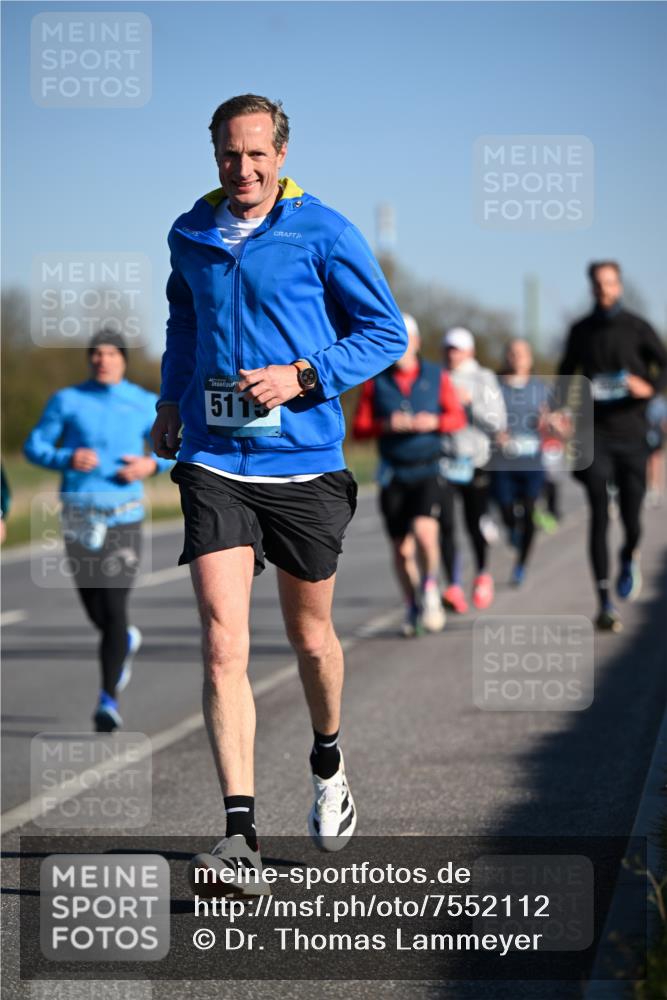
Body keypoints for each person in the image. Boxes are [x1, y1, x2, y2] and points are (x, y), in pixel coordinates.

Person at [150, 94, 407, 891]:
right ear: (214, 154)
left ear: (282, 155)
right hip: (215, 456)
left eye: (257, 153)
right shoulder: (189, 232)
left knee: (309, 640)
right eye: (230, 153)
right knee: (223, 640)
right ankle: (239, 837)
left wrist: (300, 376)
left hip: (304, 463)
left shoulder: (322, 230)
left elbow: (385, 332)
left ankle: (327, 758)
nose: (243, 168)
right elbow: (183, 324)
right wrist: (169, 400)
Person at [24, 330, 173, 730]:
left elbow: (173, 446)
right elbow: (33, 447)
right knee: (96, 610)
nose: (102, 360)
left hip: (124, 516)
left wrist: (149, 466)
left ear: (123, 359)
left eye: (110, 353)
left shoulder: (144, 402)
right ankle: (123, 640)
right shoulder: (67, 401)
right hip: (78, 516)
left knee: (114, 605)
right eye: (96, 354)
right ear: (89, 359)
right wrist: (66, 456)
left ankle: (108, 700)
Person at [558, 261, 667, 631]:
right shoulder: (581, 331)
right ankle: (604, 601)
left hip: (633, 434)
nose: (604, 290)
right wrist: (558, 409)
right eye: (598, 284)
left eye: (610, 283)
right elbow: (565, 372)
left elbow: (663, 366)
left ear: (619, 286)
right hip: (594, 435)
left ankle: (628, 554)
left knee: (633, 520)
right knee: (599, 512)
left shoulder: (638, 328)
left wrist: (649, 388)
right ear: (592, 288)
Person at [352, 313, 465, 636]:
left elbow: (457, 417)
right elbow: (359, 428)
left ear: (415, 342)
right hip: (393, 472)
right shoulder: (376, 379)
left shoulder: (436, 375)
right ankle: (411, 602)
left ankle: (430, 587)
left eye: (406, 339)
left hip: (428, 467)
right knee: (402, 550)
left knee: (426, 533)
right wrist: (385, 425)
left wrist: (435, 422)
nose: (401, 347)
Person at [439, 327, 506, 612]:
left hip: (475, 461)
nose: (452, 353)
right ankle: (453, 585)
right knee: (446, 524)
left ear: (470, 351)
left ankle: (481, 574)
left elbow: (497, 421)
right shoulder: (437, 376)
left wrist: (469, 403)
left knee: (473, 522)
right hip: (444, 461)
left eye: (457, 348)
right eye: (448, 348)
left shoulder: (484, 378)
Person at [492, 339, 566, 586]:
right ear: (506, 357)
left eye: (522, 353)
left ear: (530, 358)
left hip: (532, 460)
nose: (517, 357)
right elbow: (482, 417)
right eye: (512, 353)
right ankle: (512, 529)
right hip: (502, 461)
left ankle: (521, 566)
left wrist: (553, 423)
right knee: (505, 509)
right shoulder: (495, 387)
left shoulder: (541, 388)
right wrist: (496, 433)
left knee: (530, 511)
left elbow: (560, 426)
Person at [646, 394, 667, 507]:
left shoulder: (660, 402)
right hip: (642, 435)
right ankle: (650, 488)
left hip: (655, 435)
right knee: (648, 462)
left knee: (654, 461)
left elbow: (664, 423)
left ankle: (653, 489)